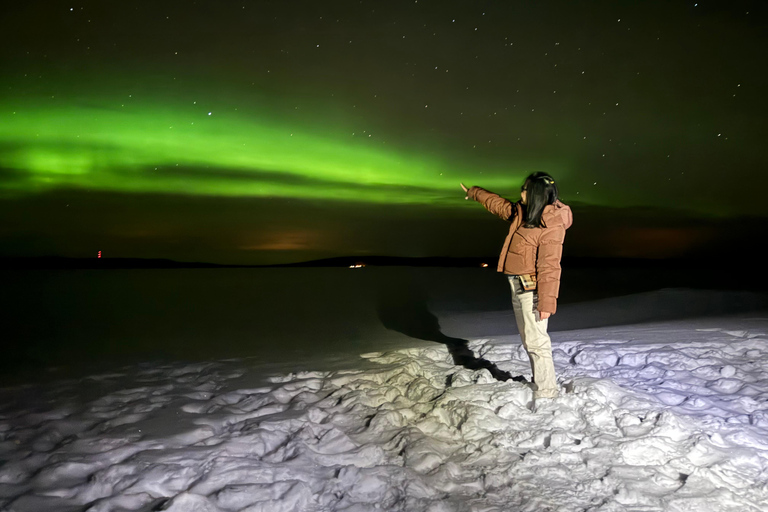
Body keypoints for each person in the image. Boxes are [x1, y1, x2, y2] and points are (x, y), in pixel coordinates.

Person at [461, 173, 573, 403]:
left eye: (525, 189)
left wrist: (546, 302)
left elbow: (550, 266)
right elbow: (499, 205)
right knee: (529, 340)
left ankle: (546, 393)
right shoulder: (522, 213)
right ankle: (541, 384)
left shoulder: (552, 223)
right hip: (517, 285)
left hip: (532, 289)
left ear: (536, 194)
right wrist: (475, 192)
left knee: (536, 341)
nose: (520, 192)